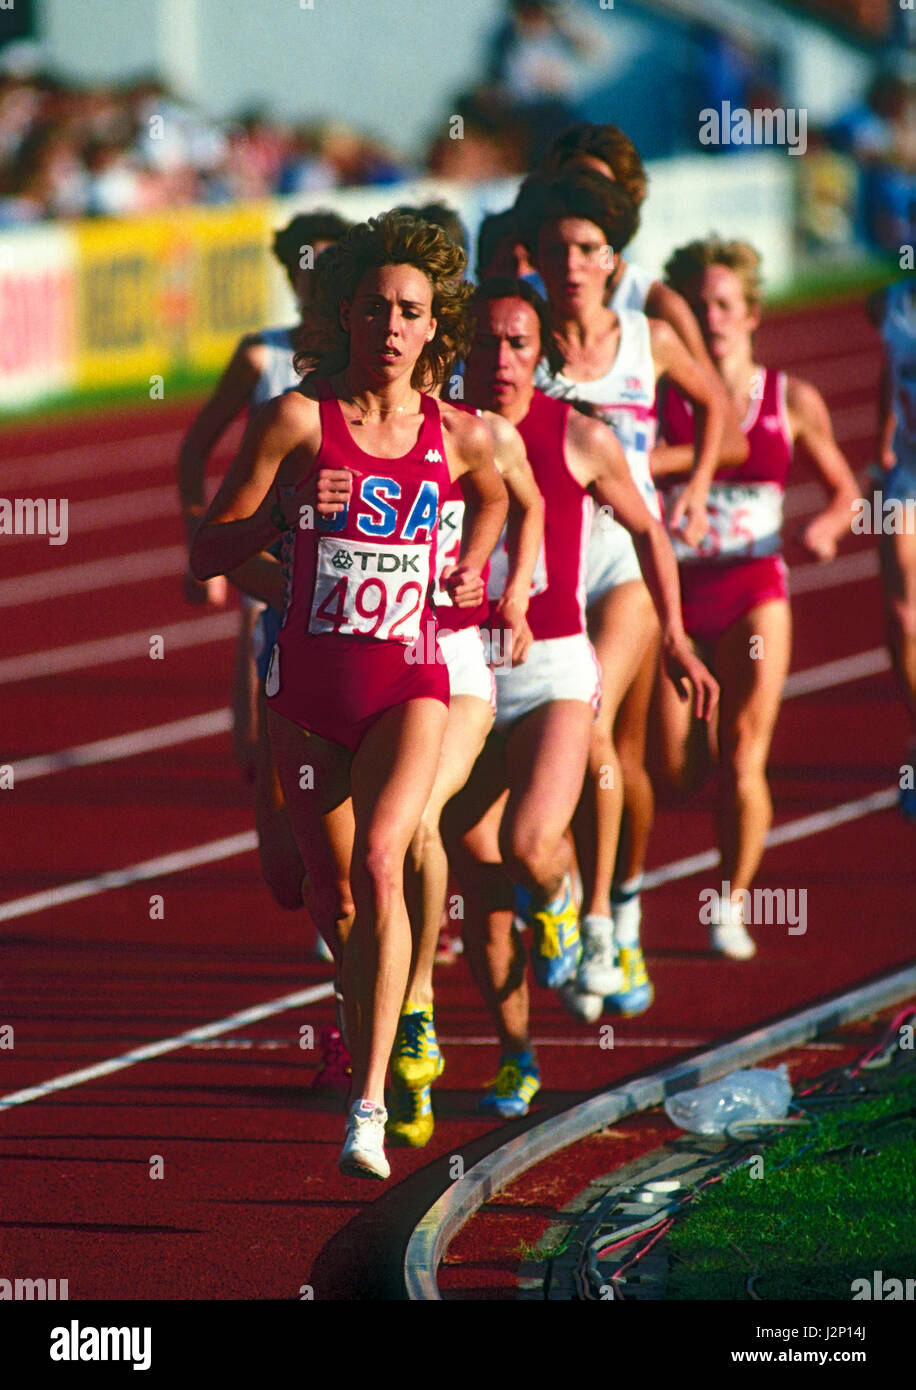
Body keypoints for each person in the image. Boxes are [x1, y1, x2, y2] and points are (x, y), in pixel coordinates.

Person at [191, 213, 507, 1180]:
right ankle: (361, 1004)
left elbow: (494, 494)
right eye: (375, 309)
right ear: (345, 316)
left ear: (431, 327)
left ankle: (369, 1102)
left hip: (409, 682)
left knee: (383, 859)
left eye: (412, 312)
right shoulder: (295, 419)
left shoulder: (457, 435)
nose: (393, 327)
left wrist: (475, 571)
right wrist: (283, 520)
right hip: (306, 693)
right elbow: (207, 548)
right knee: (325, 894)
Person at [442, 277, 718, 1118]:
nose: (500, 359)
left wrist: (672, 630)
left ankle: (564, 904)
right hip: (458, 677)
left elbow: (647, 530)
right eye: (485, 343)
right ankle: (516, 1054)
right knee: (481, 881)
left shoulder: (582, 437)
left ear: (543, 355)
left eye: (518, 343)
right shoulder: (437, 435)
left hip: (553, 669)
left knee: (530, 844)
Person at [514, 170, 736, 1021]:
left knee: (596, 718)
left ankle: (604, 918)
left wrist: (692, 485)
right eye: (558, 250)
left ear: (614, 259)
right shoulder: (519, 338)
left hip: (631, 561)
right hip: (546, 560)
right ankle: (568, 892)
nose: (572, 265)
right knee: (594, 753)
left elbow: (716, 406)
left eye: (588, 251)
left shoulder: (646, 339)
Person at [655, 236, 859, 953]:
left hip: (754, 588)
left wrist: (830, 528)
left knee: (746, 750)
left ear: (751, 313)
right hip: (674, 596)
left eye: (725, 304)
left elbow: (846, 492)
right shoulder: (658, 397)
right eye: (700, 304)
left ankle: (731, 904)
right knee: (675, 769)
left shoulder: (790, 398)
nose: (711, 317)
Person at [870, 278, 916, 818]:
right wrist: (883, 438)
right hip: (908, 476)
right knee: (904, 613)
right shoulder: (889, 302)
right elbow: (891, 369)